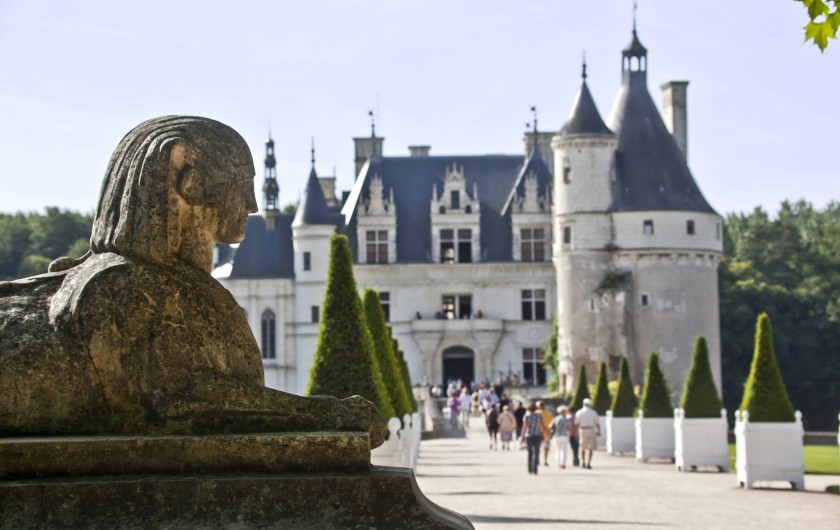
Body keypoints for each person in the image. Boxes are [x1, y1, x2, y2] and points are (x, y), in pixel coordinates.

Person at [0, 116, 386, 445]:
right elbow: (178, 399)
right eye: (242, 184)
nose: (252, 205)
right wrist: (327, 414)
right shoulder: (124, 289)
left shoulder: (162, 282)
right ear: (191, 181)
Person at [520, 402, 548, 474]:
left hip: (529, 435)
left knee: (530, 453)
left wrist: (522, 436)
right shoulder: (539, 416)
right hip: (537, 435)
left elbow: (524, 427)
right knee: (536, 452)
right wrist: (546, 434)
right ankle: (535, 469)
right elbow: (542, 426)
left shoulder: (526, 416)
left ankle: (530, 469)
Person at [575, 398, 601, 469]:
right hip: (591, 430)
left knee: (583, 447)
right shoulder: (593, 412)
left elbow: (577, 424)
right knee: (590, 448)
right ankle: (588, 462)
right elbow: (597, 423)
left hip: (583, 430)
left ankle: (583, 462)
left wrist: (576, 433)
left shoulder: (579, 412)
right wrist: (598, 431)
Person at [536, 401, 554, 466]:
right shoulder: (548, 414)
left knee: (537, 447)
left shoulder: (535, 413)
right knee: (546, 448)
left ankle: (537, 459)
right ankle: (545, 460)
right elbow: (552, 425)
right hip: (546, 434)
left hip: (537, 433)